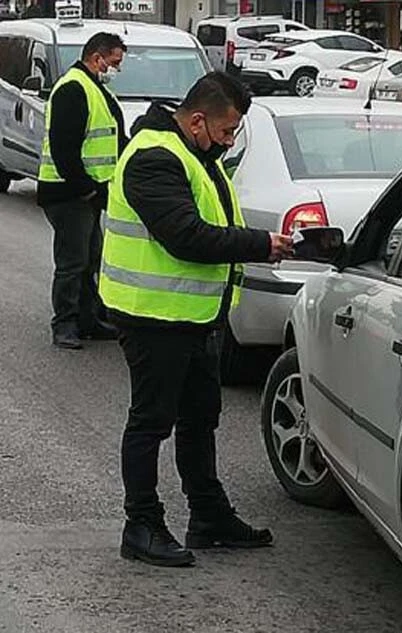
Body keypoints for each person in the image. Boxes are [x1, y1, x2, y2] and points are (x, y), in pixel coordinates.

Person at [98, 72, 295, 568]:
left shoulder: (194, 155)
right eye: (227, 132)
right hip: (152, 317)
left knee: (200, 419)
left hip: (193, 315)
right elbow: (186, 236)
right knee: (151, 422)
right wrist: (261, 245)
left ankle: (207, 515)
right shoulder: (153, 157)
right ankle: (140, 524)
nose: (229, 142)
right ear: (198, 120)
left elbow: (212, 222)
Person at [38, 32, 128, 350]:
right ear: (97, 58)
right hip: (69, 193)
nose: (117, 69)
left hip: (87, 192)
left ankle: (88, 320)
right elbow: (64, 150)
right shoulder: (74, 88)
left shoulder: (96, 88)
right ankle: (64, 324)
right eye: (115, 62)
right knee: (73, 261)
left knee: (91, 258)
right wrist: (87, 190)